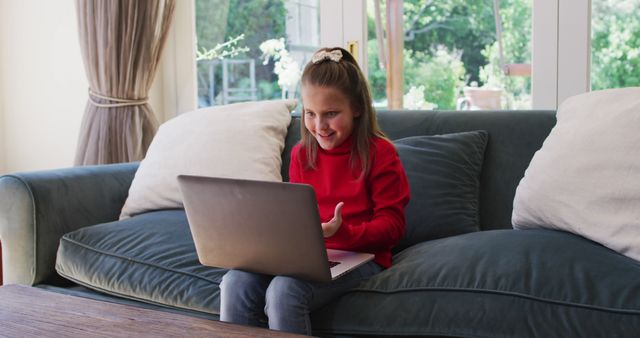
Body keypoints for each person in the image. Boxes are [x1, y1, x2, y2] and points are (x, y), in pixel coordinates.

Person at [219, 47, 410, 335]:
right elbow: (296, 216)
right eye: (310, 114)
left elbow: (393, 227)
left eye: (331, 114)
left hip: (364, 256)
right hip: (309, 256)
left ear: (357, 107)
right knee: (236, 282)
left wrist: (341, 232)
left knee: (285, 291)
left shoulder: (381, 153)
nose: (319, 126)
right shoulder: (300, 154)